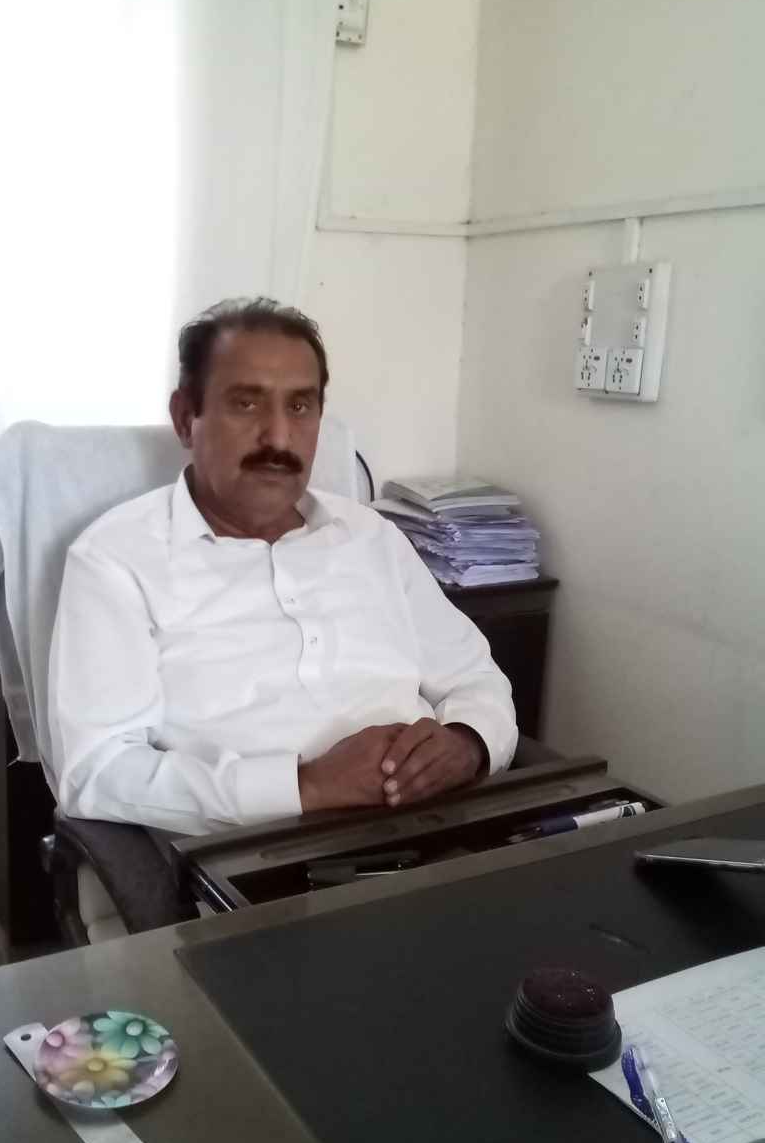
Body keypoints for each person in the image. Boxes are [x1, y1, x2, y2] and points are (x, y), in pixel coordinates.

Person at [48, 297, 517, 837]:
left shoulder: (370, 536)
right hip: (259, 856)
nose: (278, 437)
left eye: (299, 406)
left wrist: (467, 743)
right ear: (185, 418)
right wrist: (306, 786)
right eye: (246, 404)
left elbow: (476, 679)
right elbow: (97, 771)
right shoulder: (116, 560)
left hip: (440, 827)